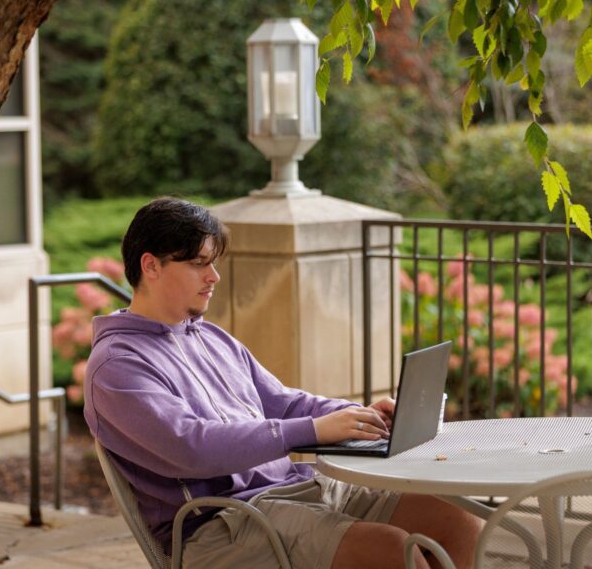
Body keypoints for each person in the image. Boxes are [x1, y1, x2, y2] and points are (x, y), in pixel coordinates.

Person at [84, 197, 481, 568]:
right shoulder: (118, 366)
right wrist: (309, 431)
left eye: (214, 262)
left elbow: (284, 403)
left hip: (295, 490)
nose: (214, 276)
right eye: (198, 264)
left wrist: (353, 416)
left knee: (452, 516)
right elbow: (190, 447)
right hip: (222, 523)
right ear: (150, 266)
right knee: (392, 551)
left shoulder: (210, 338)